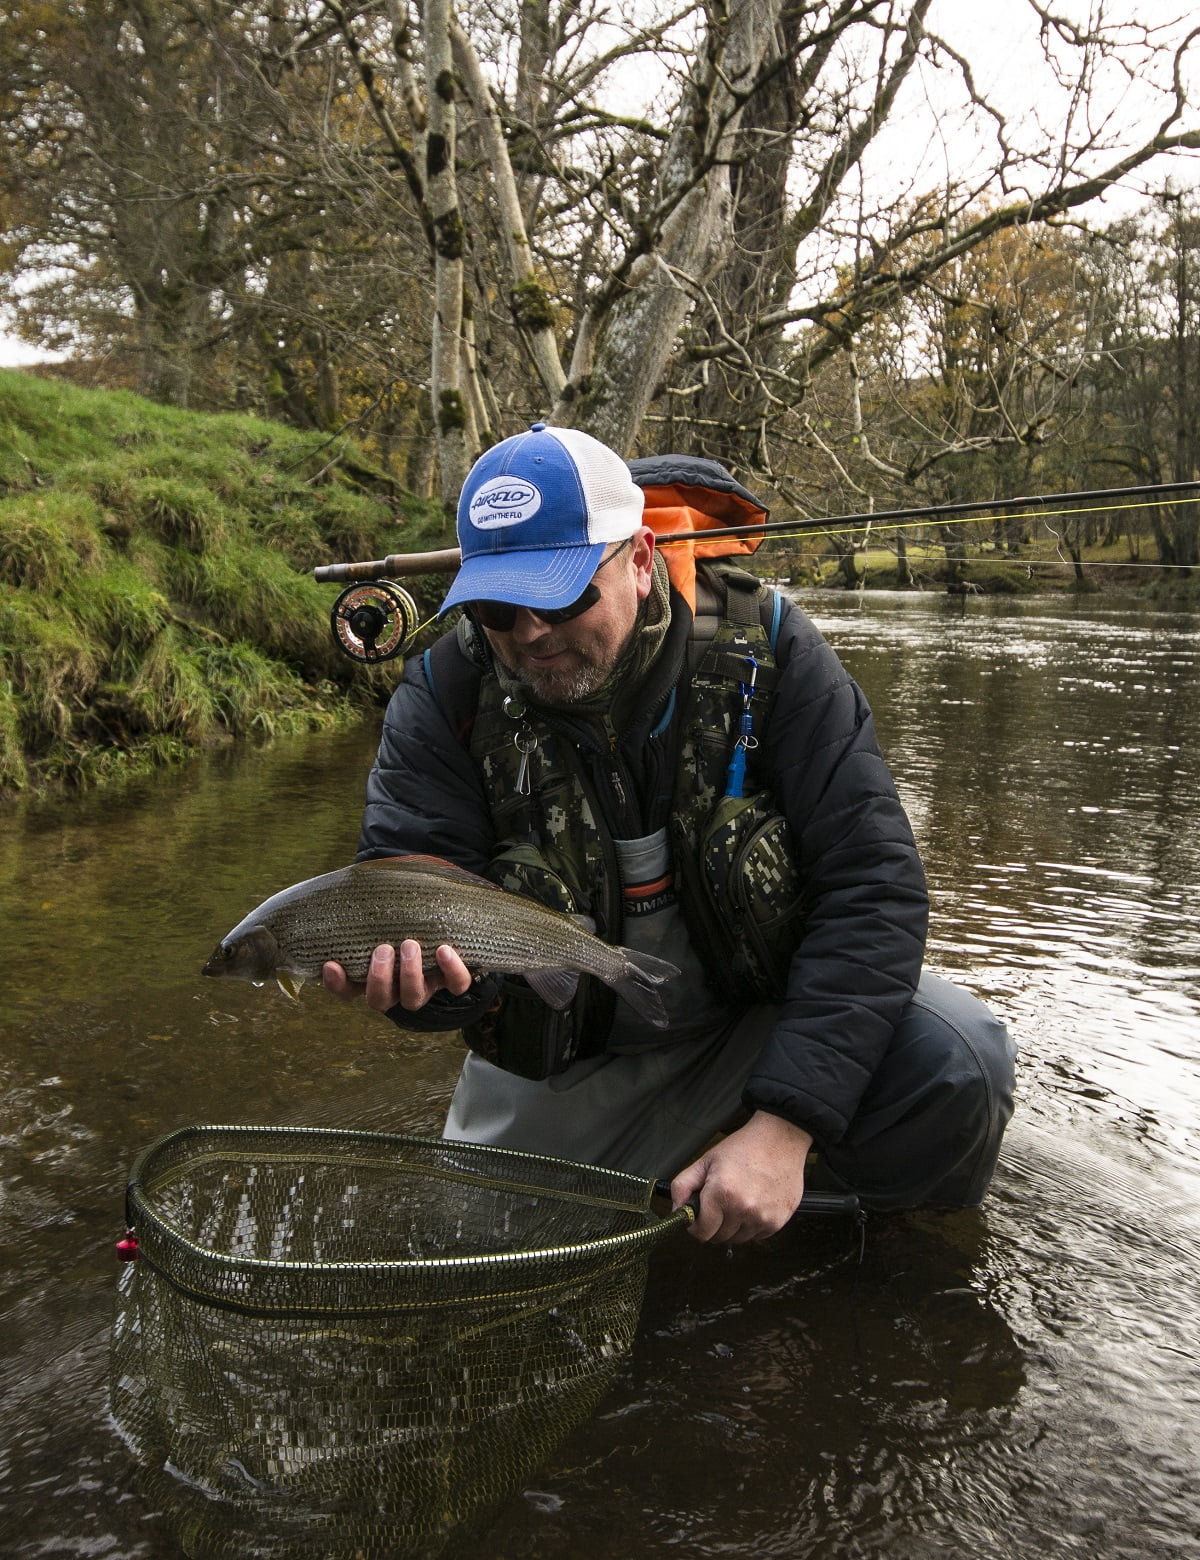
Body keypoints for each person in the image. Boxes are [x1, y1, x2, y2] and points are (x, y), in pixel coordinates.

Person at [323, 422, 1016, 1243]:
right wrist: (432, 994)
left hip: (757, 1020)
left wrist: (786, 1124)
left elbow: (875, 888)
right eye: (498, 607)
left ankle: (824, 1235)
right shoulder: (446, 696)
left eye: (561, 594)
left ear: (642, 560)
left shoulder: (772, 651)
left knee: (959, 1062)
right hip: (574, 1059)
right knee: (474, 1252)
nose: (530, 632)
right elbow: (416, 905)